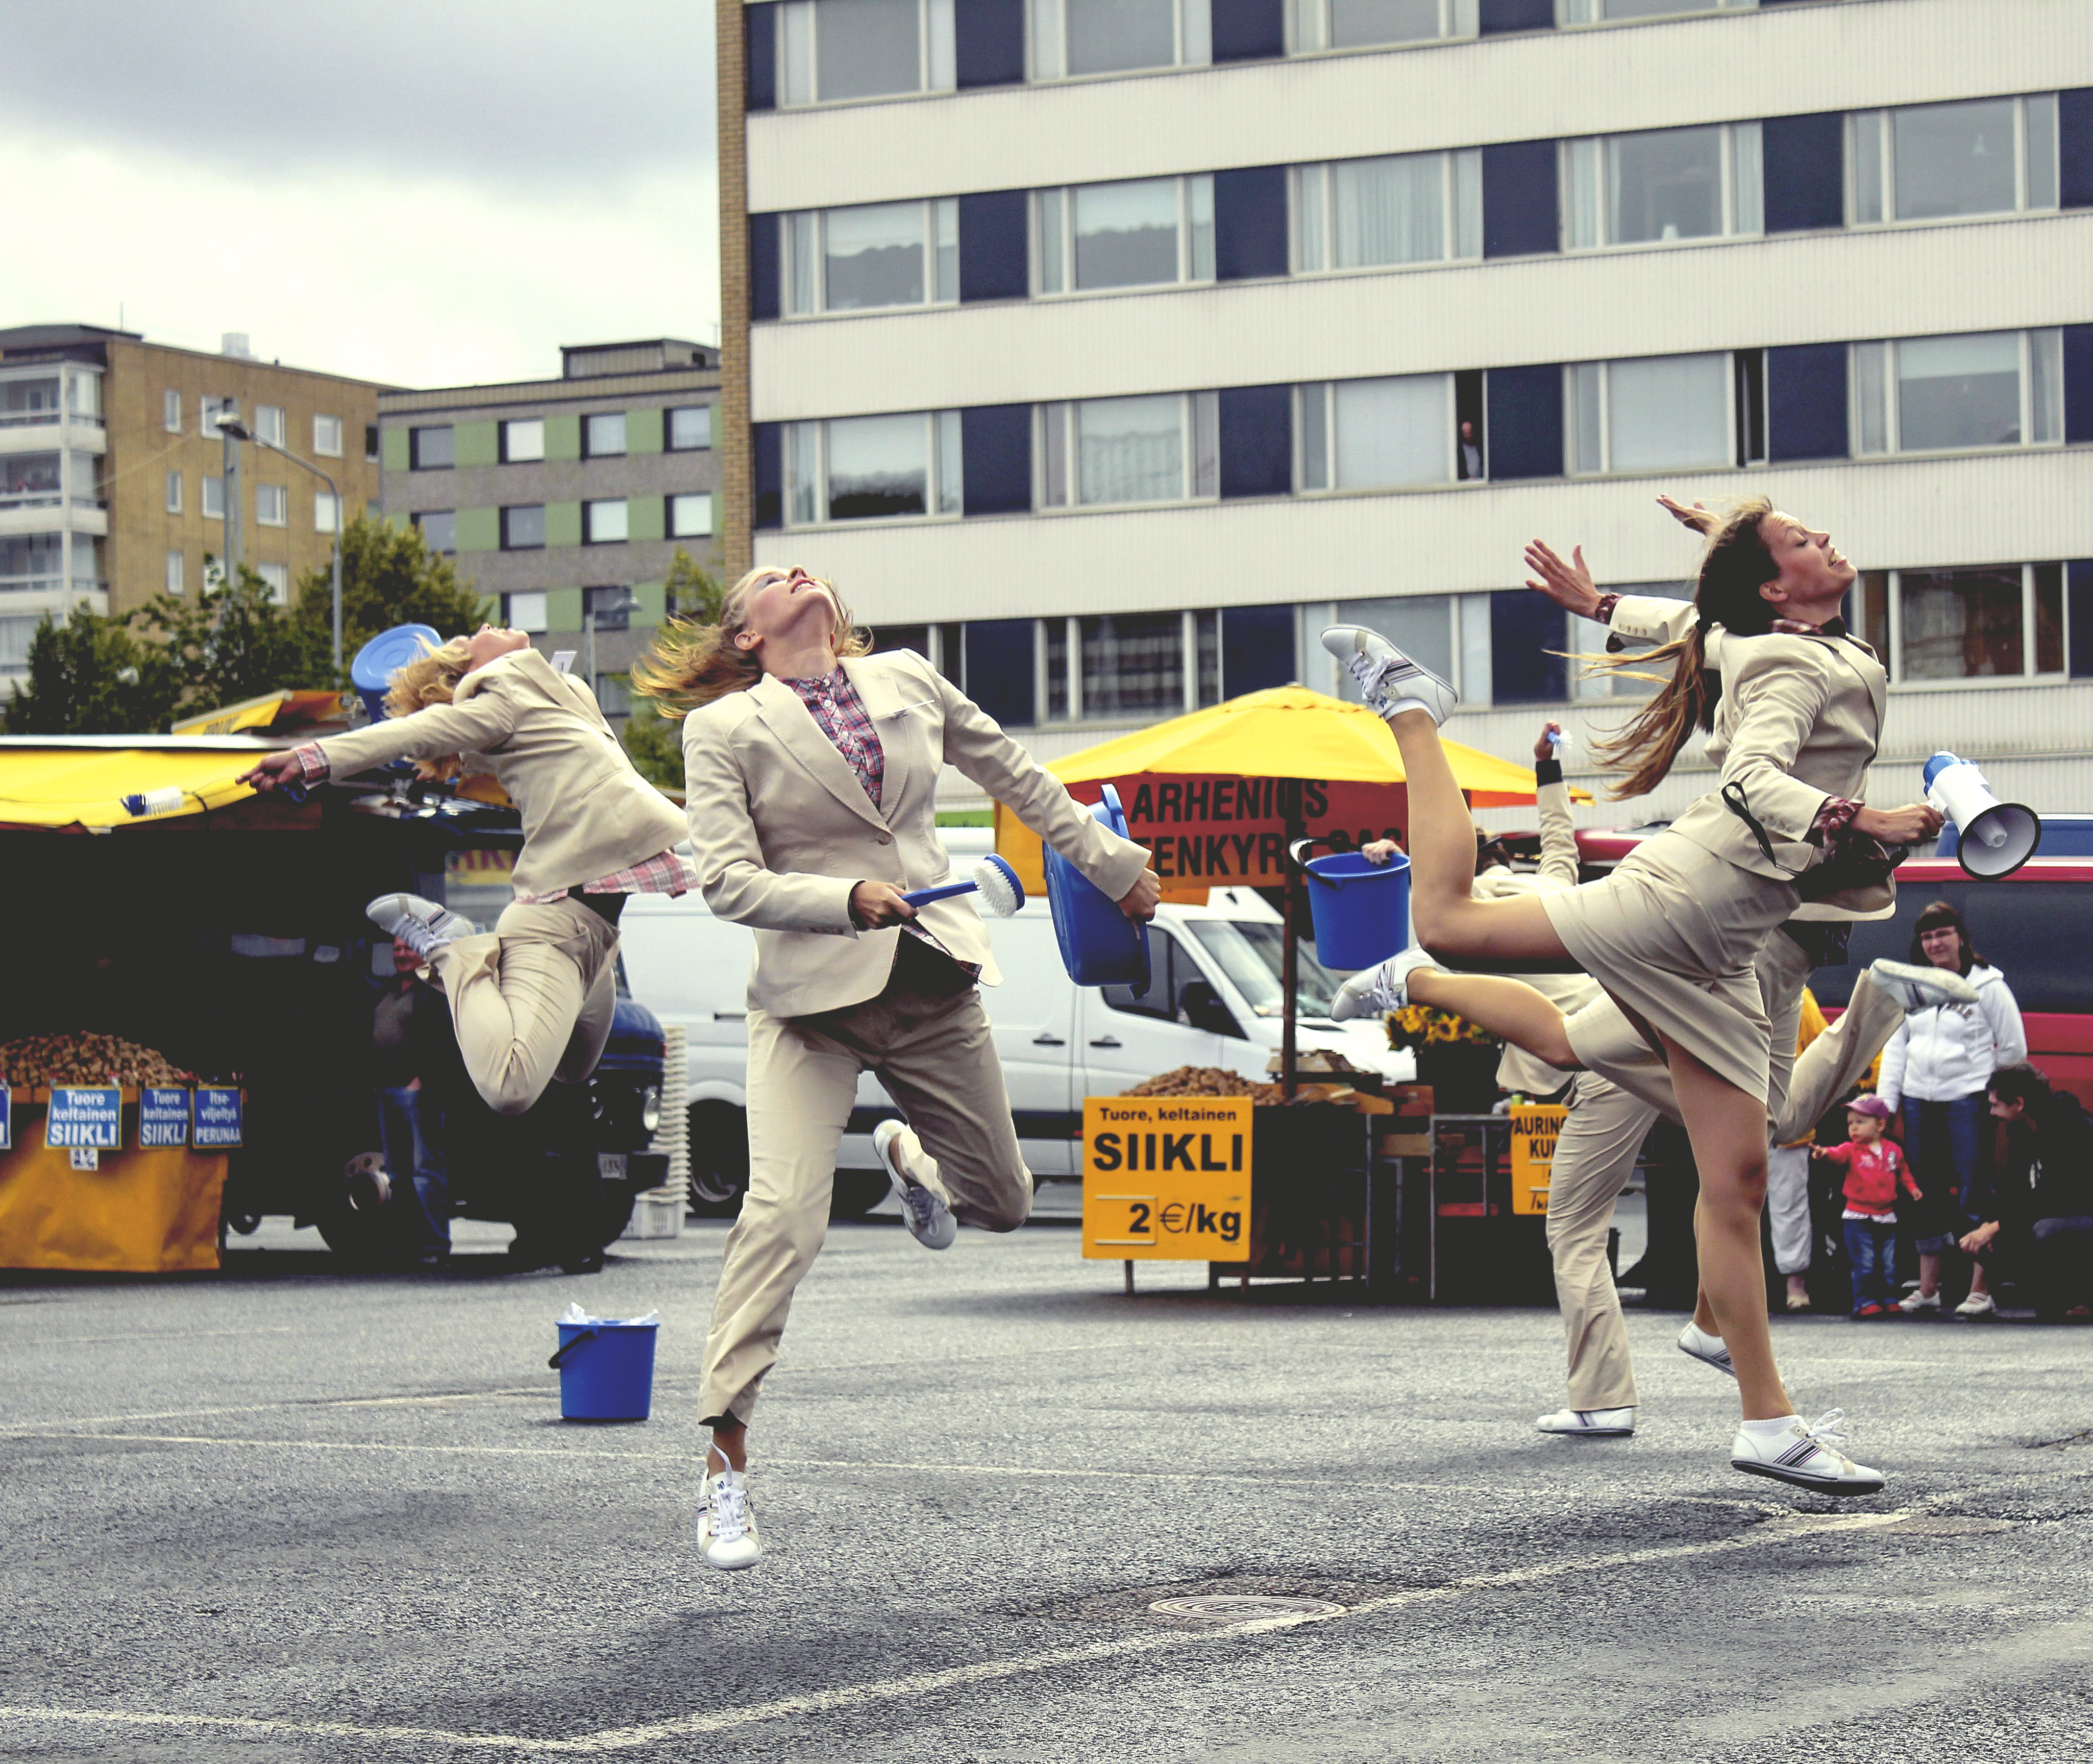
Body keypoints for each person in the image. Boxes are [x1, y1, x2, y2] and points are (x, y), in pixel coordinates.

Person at [1323, 496, 1946, 1494]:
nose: (1825, 535)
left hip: (1720, 942)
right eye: (1798, 540)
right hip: (1681, 906)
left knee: (1737, 1175)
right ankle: (1409, 707)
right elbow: (1749, 776)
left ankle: (1761, 1416)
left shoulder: (1777, 638)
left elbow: (1693, 623)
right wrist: (1859, 816)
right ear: (1778, 590)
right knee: (1443, 917)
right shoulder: (1785, 659)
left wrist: (1634, 586)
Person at [636, 566, 1160, 1571]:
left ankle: (912, 1160)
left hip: (927, 983)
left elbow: (1018, 776)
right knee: (783, 1215)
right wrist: (844, 898)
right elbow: (727, 881)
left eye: (804, 569)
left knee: (1005, 1202)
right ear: (744, 631)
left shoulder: (910, 680)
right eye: (765, 580)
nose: (794, 573)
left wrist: (1115, 870)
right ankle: (723, 1464)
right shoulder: (726, 729)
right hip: (808, 1007)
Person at [241, 624, 692, 1117]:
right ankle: (454, 950)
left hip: (598, 932)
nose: (484, 626)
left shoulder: (561, 691)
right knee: (510, 1090)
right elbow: (416, 733)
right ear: (470, 673)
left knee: (574, 1068)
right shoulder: (500, 695)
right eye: (470, 639)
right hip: (555, 923)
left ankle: (489, 959)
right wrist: (313, 759)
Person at [1880, 901, 2028, 1318]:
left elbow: (2014, 1048)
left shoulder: (1989, 985)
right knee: (1922, 1193)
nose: (1934, 943)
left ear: (1960, 937)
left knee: (1972, 1192)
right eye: (1926, 937)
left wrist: (1985, 1089)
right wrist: (1887, 1105)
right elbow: (1896, 1047)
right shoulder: (1914, 986)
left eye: (1942, 934)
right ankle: (1928, 1288)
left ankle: (1980, 1288)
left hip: (1966, 1101)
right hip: (1917, 1100)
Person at [1960, 1063, 2093, 1322]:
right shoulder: (2021, 1128)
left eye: (1995, 1105)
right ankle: (2062, 1300)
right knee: (1999, 1238)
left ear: (2019, 1103)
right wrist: (1989, 1227)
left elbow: (2060, 1197)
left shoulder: (2072, 1127)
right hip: (2063, 1215)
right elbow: (2011, 1189)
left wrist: (1998, 1226)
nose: (1991, 1112)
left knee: (2046, 1231)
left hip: (2083, 1216)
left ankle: (2083, 1297)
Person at [368, 935, 468, 1266]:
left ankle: (434, 1244)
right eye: (396, 949)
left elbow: (444, 1039)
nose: (400, 955)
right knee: (396, 1174)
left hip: (418, 1094)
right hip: (386, 1091)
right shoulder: (388, 988)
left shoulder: (434, 991)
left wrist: (421, 1079)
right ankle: (404, 1242)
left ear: (421, 952)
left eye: (406, 948)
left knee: (425, 1170)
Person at [1815, 1096, 1919, 1318]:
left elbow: (1904, 1173)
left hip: (1886, 1216)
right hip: (1858, 1217)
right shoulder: (1851, 1150)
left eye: (1860, 1122)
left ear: (1880, 1125)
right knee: (1866, 1263)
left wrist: (1913, 1189)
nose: (1853, 1128)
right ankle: (1865, 1302)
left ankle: (1889, 1298)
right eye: (1850, 1123)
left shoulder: (1894, 1151)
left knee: (1889, 1263)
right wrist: (1824, 1153)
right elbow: (1836, 1154)